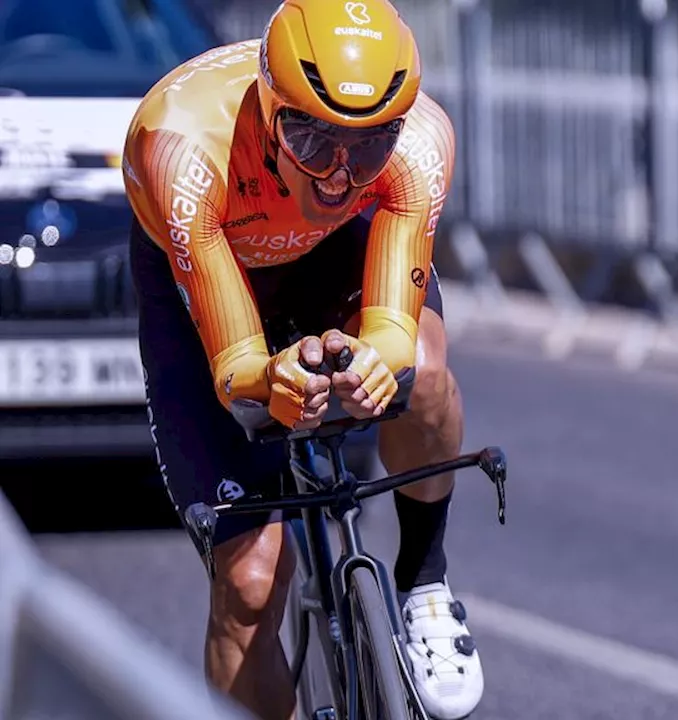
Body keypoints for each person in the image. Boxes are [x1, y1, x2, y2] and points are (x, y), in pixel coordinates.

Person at [120, 0, 482, 717]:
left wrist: (379, 362)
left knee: (427, 371)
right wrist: (269, 378)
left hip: (337, 252)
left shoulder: (423, 140)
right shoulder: (181, 145)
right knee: (250, 586)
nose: (339, 176)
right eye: (312, 141)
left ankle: (425, 581)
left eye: (369, 145)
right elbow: (236, 369)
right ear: (268, 105)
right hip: (214, 267)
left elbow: (389, 331)